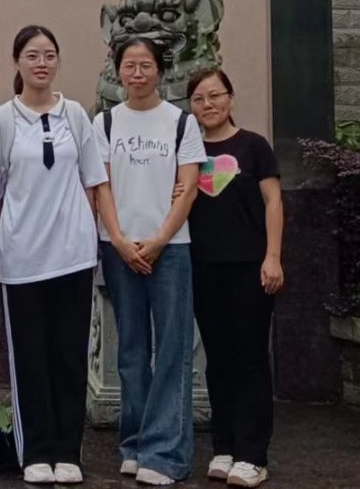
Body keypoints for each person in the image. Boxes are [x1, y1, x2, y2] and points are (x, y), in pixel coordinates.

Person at [0, 25, 112, 486]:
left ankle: (67, 450)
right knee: (30, 358)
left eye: (49, 55)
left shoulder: (75, 115)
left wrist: (98, 237)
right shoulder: (4, 120)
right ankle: (36, 450)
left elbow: (94, 182)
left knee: (68, 354)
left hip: (73, 253)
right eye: (32, 55)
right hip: (22, 255)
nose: (41, 63)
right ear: (16, 62)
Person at [95, 39, 205, 485]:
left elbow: (189, 187)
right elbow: (100, 185)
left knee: (173, 349)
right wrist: (120, 240)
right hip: (118, 246)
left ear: (160, 70)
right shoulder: (104, 122)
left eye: (145, 65)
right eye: (129, 65)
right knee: (132, 349)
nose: (137, 73)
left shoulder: (181, 122)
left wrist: (160, 240)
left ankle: (166, 454)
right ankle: (134, 443)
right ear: (118, 70)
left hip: (171, 248)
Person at [184, 69, 283, 489]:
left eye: (215, 95)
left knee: (250, 358)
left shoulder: (254, 146)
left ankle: (252, 454)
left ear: (230, 97)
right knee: (218, 359)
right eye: (199, 98)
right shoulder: (187, 150)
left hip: (249, 267)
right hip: (203, 268)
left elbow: (273, 201)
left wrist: (273, 257)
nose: (208, 104)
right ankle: (223, 447)